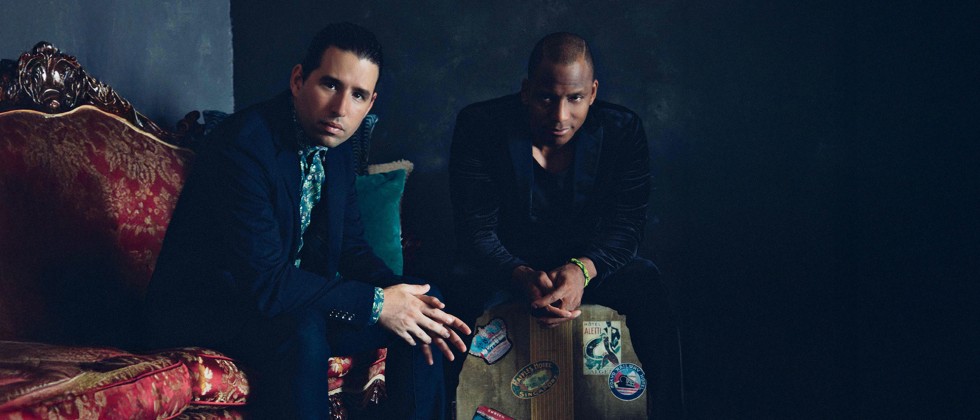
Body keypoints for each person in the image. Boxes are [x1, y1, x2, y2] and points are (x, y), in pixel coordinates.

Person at [143, 22, 470, 419]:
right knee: (302, 328)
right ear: (299, 79)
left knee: (425, 311)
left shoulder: (337, 147)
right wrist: (378, 302)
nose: (340, 109)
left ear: (370, 104)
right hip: (207, 307)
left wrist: (403, 298)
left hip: (287, 302)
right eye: (330, 85)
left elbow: (351, 249)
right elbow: (265, 282)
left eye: (358, 95)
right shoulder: (243, 145)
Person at [448, 32, 685, 418]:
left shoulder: (622, 131)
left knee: (650, 286)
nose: (560, 116)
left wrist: (582, 270)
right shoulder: (480, 126)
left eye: (575, 98)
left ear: (592, 93)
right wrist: (518, 274)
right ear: (526, 91)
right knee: (448, 299)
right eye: (546, 97)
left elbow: (627, 228)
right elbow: (476, 231)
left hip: (587, 261)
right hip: (503, 263)